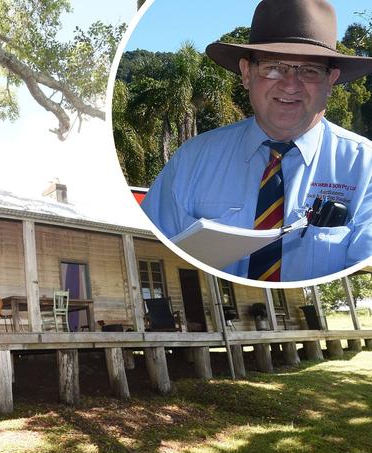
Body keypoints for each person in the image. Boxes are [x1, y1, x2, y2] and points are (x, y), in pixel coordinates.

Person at [141, 0, 372, 282]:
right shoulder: (191, 161)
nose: (290, 84)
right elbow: (151, 248)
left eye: (309, 70)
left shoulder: (365, 167)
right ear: (247, 74)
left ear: (331, 81)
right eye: (274, 67)